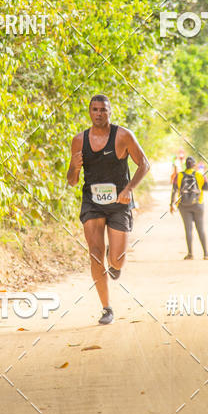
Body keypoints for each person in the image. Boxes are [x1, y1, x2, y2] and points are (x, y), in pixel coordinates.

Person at [67, 94, 150, 324]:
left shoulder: (123, 136)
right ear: (89, 112)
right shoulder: (79, 140)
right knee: (95, 254)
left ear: (109, 112)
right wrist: (74, 167)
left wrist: (129, 188)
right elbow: (72, 180)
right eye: (95, 109)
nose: (99, 113)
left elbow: (144, 163)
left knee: (117, 260)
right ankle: (106, 308)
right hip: (92, 202)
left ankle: (113, 263)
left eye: (103, 110)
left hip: (119, 203)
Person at [170, 155, 208, 260]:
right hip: (198, 205)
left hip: (183, 206)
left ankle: (190, 254)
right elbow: (206, 188)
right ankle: (206, 254)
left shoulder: (178, 176)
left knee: (188, 230)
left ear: (186, 165)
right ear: (194, 165)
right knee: (200, 229)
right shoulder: (200, 175)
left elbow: (174, 190)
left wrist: (171, 204)